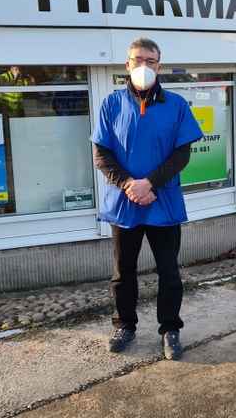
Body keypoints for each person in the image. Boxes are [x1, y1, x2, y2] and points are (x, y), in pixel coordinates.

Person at [91, 38, 203, 360]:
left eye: (150, 61)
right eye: (137, 60)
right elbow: (102, 154)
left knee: (169, 271)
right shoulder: (111, 104)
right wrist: (128, 184)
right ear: (127, 65)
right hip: (125, 204)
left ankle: (170, 329)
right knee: (123, 272)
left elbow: (182, 153)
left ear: (159, 65)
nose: (144, 66)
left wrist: (150, 183)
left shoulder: (176, 105)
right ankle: (124, 324)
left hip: (163, 202)